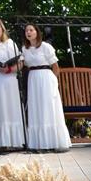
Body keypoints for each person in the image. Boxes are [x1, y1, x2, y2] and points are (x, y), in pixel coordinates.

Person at [22, 24, 71, 152]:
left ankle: (55, 142)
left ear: (37, 32)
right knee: (36, 108)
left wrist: (53, 82)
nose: (28, 32)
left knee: (48, 108)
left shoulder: (45, 46)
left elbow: (55, 67)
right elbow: (23, 65)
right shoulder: (24, 49)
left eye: (31, 30)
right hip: (33, 79)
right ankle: (39, 144)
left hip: (46, 78)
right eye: (26, 30)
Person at [0, 16, 25, 151]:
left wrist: (9, 69)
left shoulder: (9, 43)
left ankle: (13, 141)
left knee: (9, 109)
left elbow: (21, 63)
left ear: (2, 29)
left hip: (9, 81)